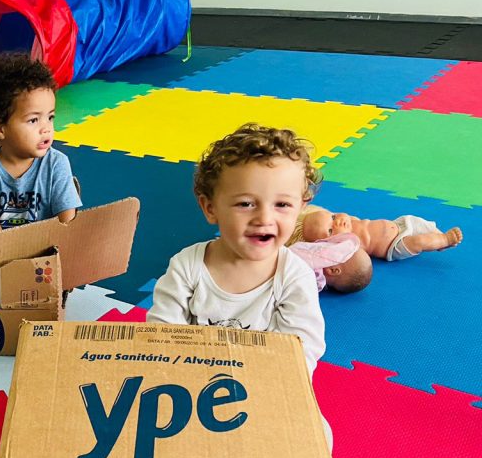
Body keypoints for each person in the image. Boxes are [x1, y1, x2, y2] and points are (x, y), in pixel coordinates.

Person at [146, 123, 326, 384]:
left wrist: (276, 384)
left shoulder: (294, 276)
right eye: (246, 204)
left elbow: (302, 348)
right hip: (191, 378)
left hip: (262, 381)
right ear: (210, 208)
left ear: (300, 207)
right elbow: (160, 333)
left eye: (282, 204)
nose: (264, 218)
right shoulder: (187, 266)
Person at [0, 53, 80, 258]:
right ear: (0, 128)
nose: (46, 128)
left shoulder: (57, 163)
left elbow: (67, 221)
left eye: (50, 117)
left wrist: (49, 251)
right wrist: (8, 256)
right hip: (1, 244)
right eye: (33, 120)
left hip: (45, 243)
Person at [296, 206, 463, 263]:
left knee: (418, 221)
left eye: (332, 217)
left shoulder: (349, 221)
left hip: (399, 224)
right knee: (418, 242)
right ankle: (444, 239)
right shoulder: (349, 243)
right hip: (394, 246)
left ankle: (439, 239)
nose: (337, 222)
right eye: (331, 230)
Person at [289, 234, 374, 293]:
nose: (338, 245)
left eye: (344, 250)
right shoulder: (320, 252)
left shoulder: (313, 279)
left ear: (333, 270)